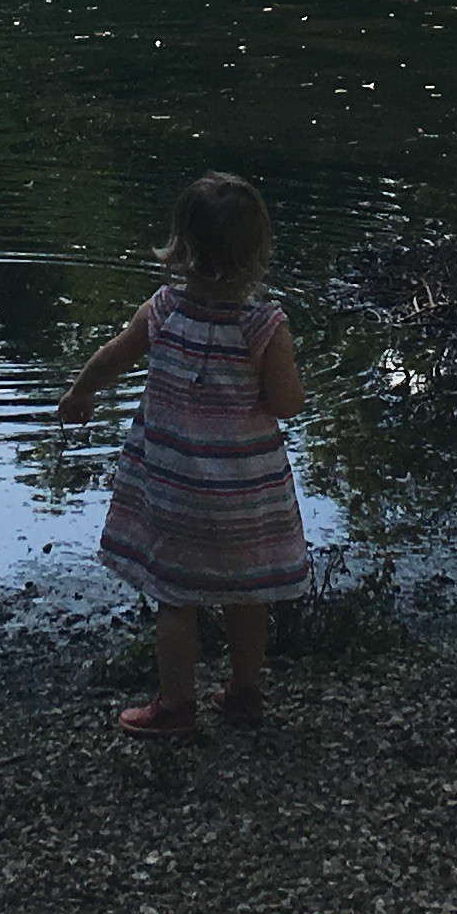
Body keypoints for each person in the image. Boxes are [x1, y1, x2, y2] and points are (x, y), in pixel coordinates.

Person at [60, 171, 310, 740]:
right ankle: (245, 694)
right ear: (257, 255)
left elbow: (112, 356)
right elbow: (289, 404)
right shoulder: (265, 326)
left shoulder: (164, 310)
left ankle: (176, 706)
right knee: (248, 596)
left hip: (174, 492)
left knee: (177, 600)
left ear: (182, 249)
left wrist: (80, 392)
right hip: (246, 495)